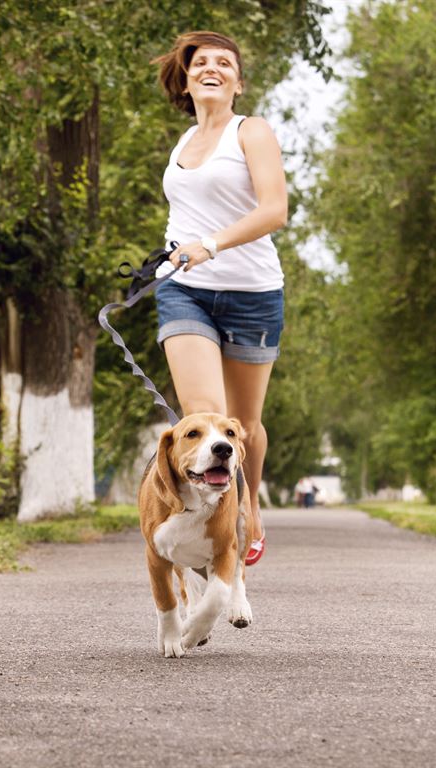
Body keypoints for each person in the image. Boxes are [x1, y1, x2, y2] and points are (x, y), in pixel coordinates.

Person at [152, 31, 287, 565]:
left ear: (238, 81)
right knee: (206, 415)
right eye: (200, 62)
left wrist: (209, 244)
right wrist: (170, 255)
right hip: (186, 292)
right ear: (186, 81)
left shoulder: (250, 131)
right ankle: (214, 531)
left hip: (253, 294)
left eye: (223, 63)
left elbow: (274, 210)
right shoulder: (182, 143)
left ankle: (247, 508)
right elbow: (184, 214)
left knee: (243, 427)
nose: (212, 68)